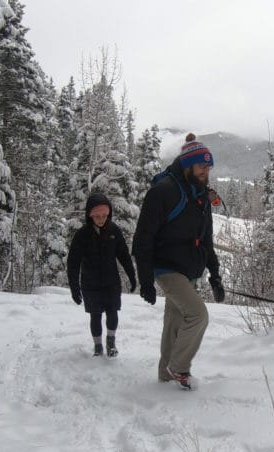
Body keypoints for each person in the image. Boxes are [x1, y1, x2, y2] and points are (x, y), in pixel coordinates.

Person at [132, 133, 225, 390]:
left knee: (174, 321)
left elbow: (206, 240)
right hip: (166, 267)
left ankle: (165, 375)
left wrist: (215, 275)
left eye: (208, 167)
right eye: (201, 166)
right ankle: (179, 368)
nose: (206, 171)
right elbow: (142, 238)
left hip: (189, 270)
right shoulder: (163, 192)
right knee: (198, 315)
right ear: (188, 166)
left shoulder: (202, 195)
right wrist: (146, 280)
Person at [67, 192, 137, 357]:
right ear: (90, 215)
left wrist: (132, 276)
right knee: (95, 315)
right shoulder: (82, 235)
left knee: (113, 312)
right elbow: (73, 263)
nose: (101, 219)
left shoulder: (114, 231)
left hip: (111, 281)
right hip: (90, 283)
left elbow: (124, 255)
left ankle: (111, 342)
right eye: (97, 216)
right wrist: (74, 288)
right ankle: (98, 346)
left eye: (104, 215)